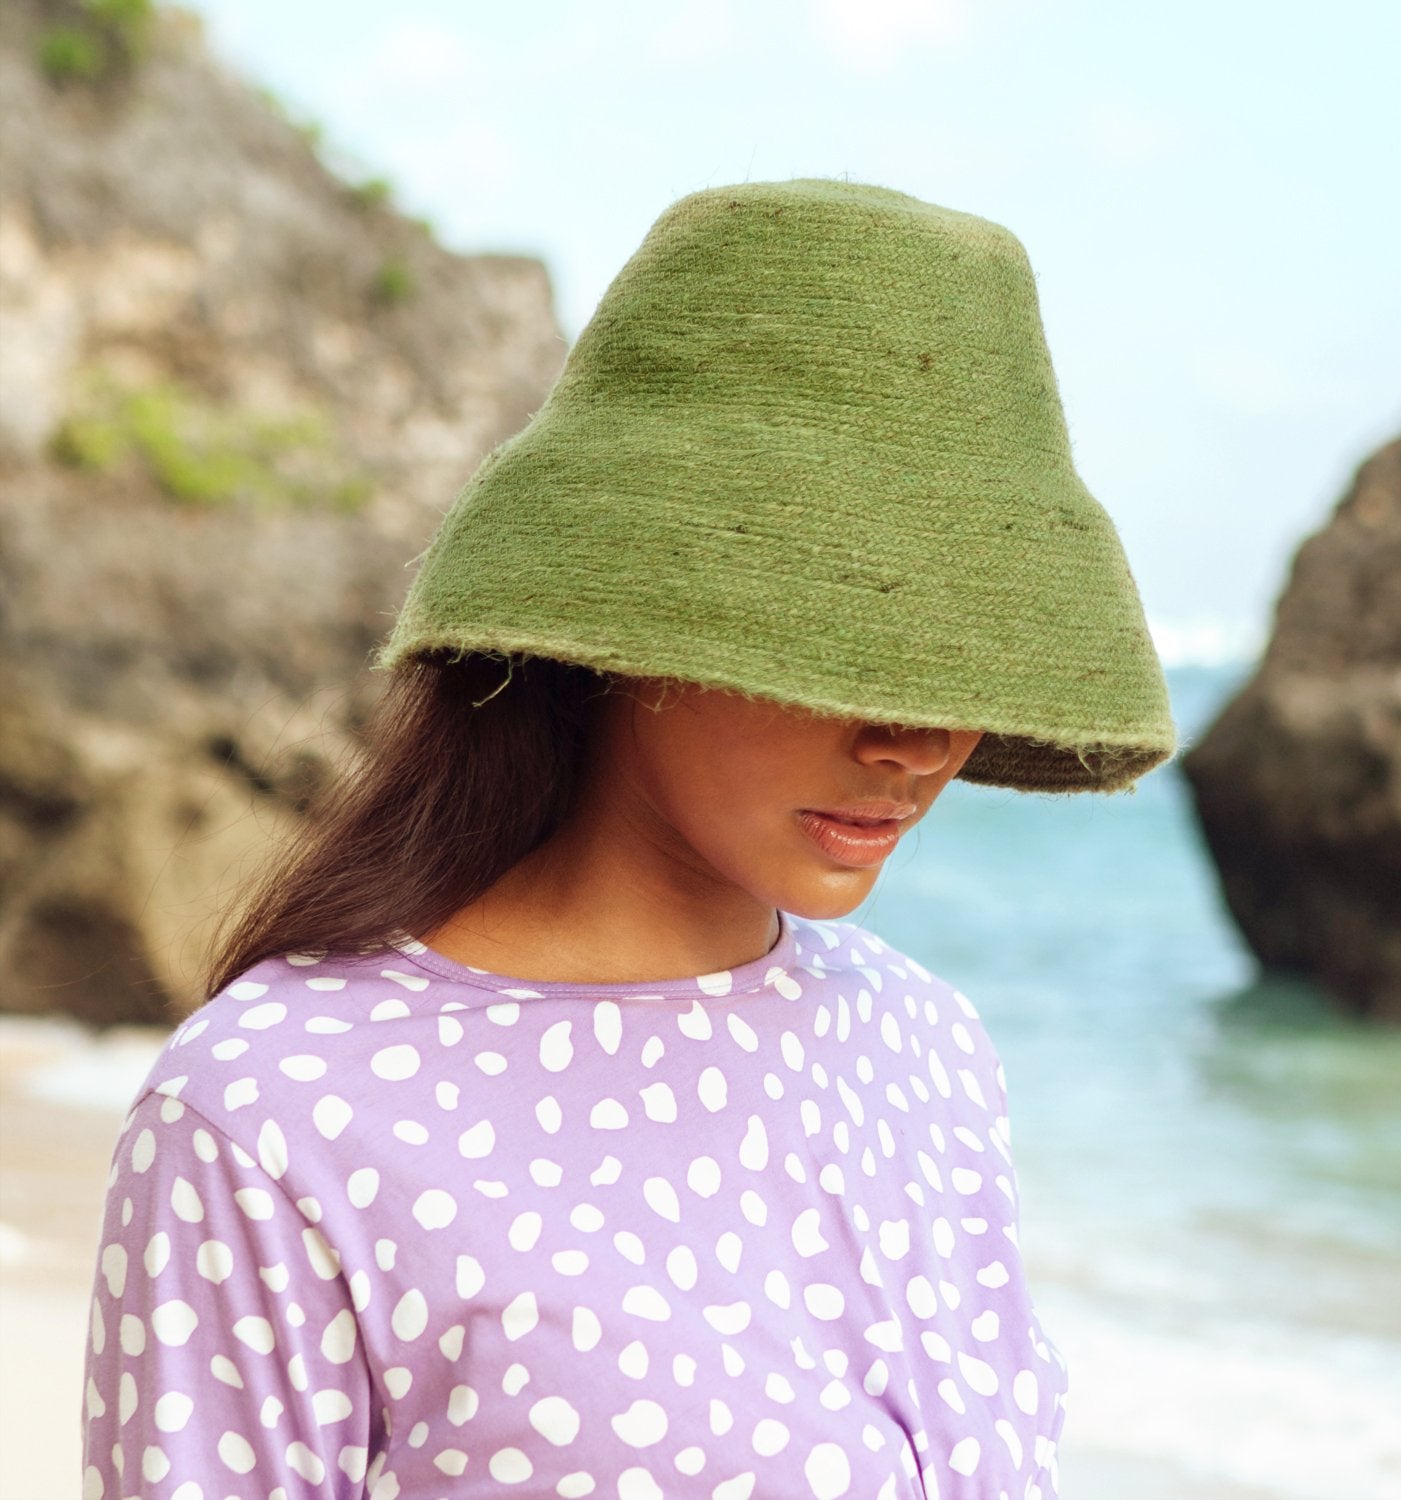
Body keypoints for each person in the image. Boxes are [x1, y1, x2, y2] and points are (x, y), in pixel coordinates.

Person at [80, 177, 1174, 1499]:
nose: (918, 739)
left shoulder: (926, 1047)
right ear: (637, 618)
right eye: (844, 639)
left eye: (959, 655)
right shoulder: (276, 1109)